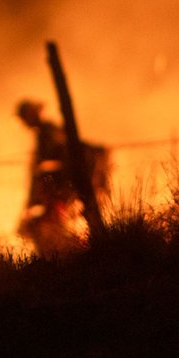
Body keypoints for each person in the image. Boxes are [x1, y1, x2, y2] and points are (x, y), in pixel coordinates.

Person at [14, 98, 111, 255]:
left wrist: (43, 169)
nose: (24, 122)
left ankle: (65, 255)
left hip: (63, 188)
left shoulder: (49, 132)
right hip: (60, 189)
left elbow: (62, 157)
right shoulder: (45, 133)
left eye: (25, 117)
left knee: (48, 225)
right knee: (53, 223)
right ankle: (68, 253)